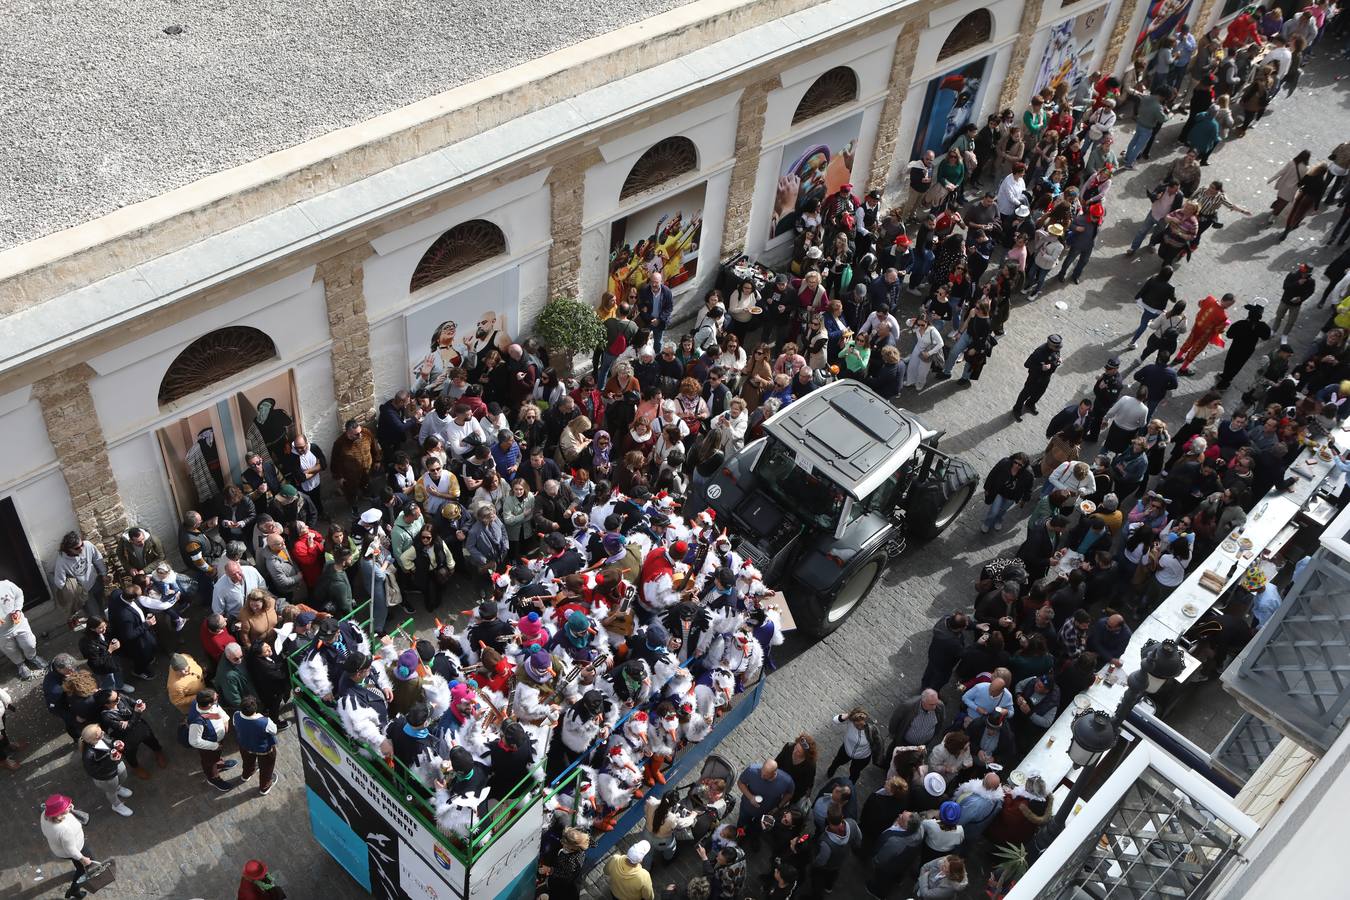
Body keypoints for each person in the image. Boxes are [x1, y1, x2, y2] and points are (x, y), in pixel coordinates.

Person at [40, 794, 96, 900]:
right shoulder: (64, 830)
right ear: (59, 813)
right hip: (77, 848)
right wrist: (83, 859)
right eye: (66, 806)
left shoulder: (44, 814)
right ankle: (74, 889)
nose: (70, 805)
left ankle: (78, 870)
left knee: (79, 864)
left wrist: (67, 810)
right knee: (85, 867)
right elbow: (71, 850)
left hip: (59, 849)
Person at [187, 688, 239, 792]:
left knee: (215, 757)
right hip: (209, 746)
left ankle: (218, 763)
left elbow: (218, 710)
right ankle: (213, 778)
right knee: (208, 762)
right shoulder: (197, 721)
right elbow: (194, 741)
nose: (218, 697)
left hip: (218, 740)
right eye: (216, 698)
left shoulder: (205, 704)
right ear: (209, 704)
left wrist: (225, 719)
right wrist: (214, 746)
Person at [79, 724, 133, 816]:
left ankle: (118, 788)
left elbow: (110, 741)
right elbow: (93, 771)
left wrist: (116, 743)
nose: (103, 733)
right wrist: (110, 760)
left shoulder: (101, 737)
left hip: (116, 764)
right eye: (100, 734)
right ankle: (116, 805)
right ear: (93, 739)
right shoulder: (88, 755)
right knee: (111, 791)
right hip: (106, 776)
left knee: (123, 776)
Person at [233, 695, 280, 795]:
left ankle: (246, 775)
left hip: (245, 745)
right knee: (267, 768)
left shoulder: (236, 715)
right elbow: (274, 730)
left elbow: (235, 725)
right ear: (256, 708)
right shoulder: (265, 721)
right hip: (263, 749)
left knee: (247, 761)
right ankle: (264, 787)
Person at [0, 579, 47, 680]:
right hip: (1, 634)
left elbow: (19, 595)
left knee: (29, 643)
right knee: (10, 651)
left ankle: (32, 657)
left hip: (18, 623)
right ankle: (20, 664)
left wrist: (17, 609)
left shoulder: (6, 585)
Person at [1013, 333, 1063, 421]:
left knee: (1039, 393)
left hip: (1046, 377)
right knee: (1025, 393)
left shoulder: (1056, 349)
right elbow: (1027, 364)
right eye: (1056, 348)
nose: (1058, 349)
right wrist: (1041, 367)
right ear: (1050, 345)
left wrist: (1058, 361)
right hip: (1034, 378)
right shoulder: (1039, 352)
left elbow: (1055, 357)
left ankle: (1030, 404)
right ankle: (1017, 409)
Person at [981, 452, 1033, 534]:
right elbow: (993, 474)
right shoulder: (1004, 463)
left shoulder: (1028, 474)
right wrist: (987, 488)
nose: (1016, 466)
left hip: (1011, 497)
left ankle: (998, 520)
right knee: (994, 511)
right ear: (1013, 460)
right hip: (999, 492)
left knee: (1003, 510)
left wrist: (1024, 499)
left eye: (1020, 465)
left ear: (1024, 466)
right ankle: (987, 523)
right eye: (1015, 462)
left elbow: (1028, 488)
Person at [827, 707, 880, 782]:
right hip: (846, 750)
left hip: (862, 757)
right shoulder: (851, 721)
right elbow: (835, 720)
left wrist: (877, 757)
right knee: (837, 762)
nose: (859, 727)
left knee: (855, 772)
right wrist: (849, 715)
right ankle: (831, 771)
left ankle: (850, 784)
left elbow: (878, 744)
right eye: (856, 725)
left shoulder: (872, 729)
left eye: (861, 725)